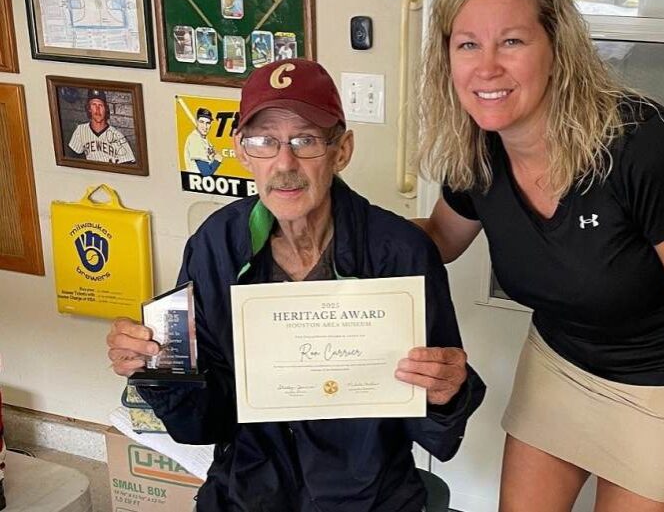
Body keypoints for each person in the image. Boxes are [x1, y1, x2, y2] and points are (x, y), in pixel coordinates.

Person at [416, 0, 664, 512]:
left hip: (659, 389)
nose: (486, 67)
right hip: (560, 365)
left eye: (512, 41)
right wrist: (332, 226)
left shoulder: (645, 149)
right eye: (467, 43)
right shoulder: (478, 154)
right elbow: (441, 241)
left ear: (556, 48)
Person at [106, 59, 486, 512]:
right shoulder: (215, 246)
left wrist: (446, 394)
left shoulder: (401, 253)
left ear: (341, 150)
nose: (284, 164)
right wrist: (158, 371)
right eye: (265, 141)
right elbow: (201, 424)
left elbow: (436, 434)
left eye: (305, 141)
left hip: (370, 498)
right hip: (246, 491)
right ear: (243, 152)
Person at [68, 90, 135, 164]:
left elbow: (129, 164)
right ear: (89, 108)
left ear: (106, 109)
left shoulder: (117, 136)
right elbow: (72, 159)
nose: (97, 109)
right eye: (94, 104)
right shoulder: (80, 130)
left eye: (100, 105)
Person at [183, 107, 221, 175]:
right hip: (197, 181)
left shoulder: (203, 139)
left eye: (208, 123)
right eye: (202, 122)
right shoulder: (195, 139)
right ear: (197, 122)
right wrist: (217, 161)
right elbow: (206, 172)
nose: (205, 126)